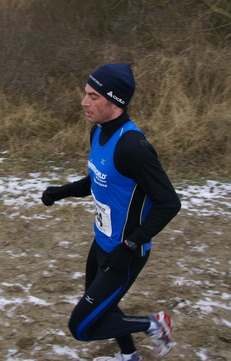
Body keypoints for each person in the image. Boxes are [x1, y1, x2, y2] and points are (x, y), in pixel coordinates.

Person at [41, 63, 181, 361]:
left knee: (82, 327)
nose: (84, 102)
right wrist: (61, 191)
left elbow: (169, 202)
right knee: (105, 306)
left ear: (114, 100)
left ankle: (154, 325)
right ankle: (129, 356)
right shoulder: (98, 132)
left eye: (93, 96)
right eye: (85, 94)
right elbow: (99, 180)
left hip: (125, 253)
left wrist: (130, 245)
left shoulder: (134, 147)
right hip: (102, 242)